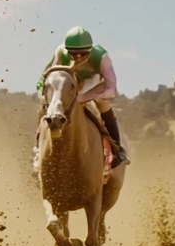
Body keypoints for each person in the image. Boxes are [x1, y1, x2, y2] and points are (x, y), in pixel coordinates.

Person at [38, 26, 129, 168]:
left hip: (93, 82)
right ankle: (38, 153)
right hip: (68, 82)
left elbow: (111, 88)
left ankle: (118, 150)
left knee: (101, 103)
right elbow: (52, 74)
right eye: (73, 54)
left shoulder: (101, 56)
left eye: (83, 53)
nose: (78, 57)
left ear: (91, 50)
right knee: (46, 106)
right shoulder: (60, 51)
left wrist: (84, 97)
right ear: (67, 50)